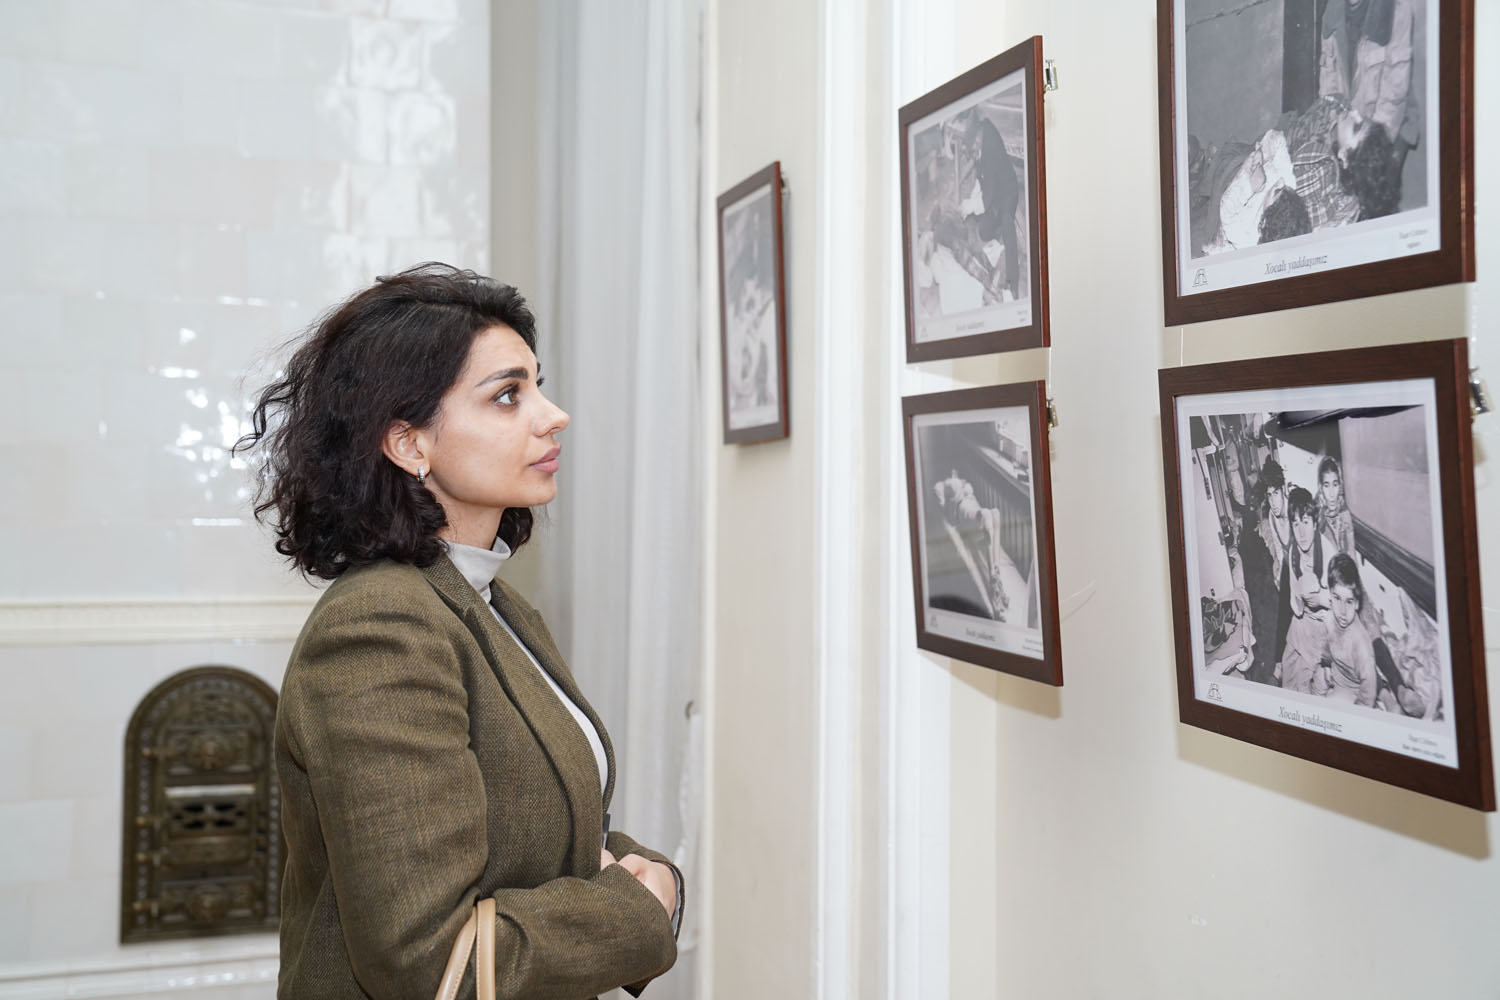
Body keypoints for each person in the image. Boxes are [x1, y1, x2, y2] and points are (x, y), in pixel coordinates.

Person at [239, 264, 682, 999]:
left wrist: (645, 871)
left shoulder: (495, 604)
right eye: (508, 395)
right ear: (408, 444)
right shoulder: (380, 627)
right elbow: (427, 960)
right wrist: (640, 909)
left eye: (538, 386)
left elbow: (527, 822)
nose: (553, 415)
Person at [1276, 486, 1331, 692]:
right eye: (1296, 524)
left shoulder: (1328, 554)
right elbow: (1295, 605)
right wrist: (1299, 597)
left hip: (1326, 623)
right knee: (1288, 667)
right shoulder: (1293, 553)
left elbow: (1342, 603)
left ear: (1315, 523)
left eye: (1306, 522)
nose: (1301, 533)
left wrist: (1321, 599)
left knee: (1309, 684)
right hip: (1303, 620)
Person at [1316, 553, 1379, 707]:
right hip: (1335, 672)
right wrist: (1326, 664)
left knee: (1328, 707)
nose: (1342, 611)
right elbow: (1327, 642)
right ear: (1330, 595)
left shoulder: (1361, 646)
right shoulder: (1330, 617)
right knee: (1315, 680)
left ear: (1357, 603)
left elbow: (1368, 695)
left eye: (1349, 602)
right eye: (1337, 598)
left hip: (1352, 690)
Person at [1316, 455, 1357, 555]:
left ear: (1340, 485)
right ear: (1321, 488)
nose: (1331, 494)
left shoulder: (1345, 514)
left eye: (1335, 485)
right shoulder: (1316, 518)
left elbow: (1352, 554)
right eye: (1326, 486)